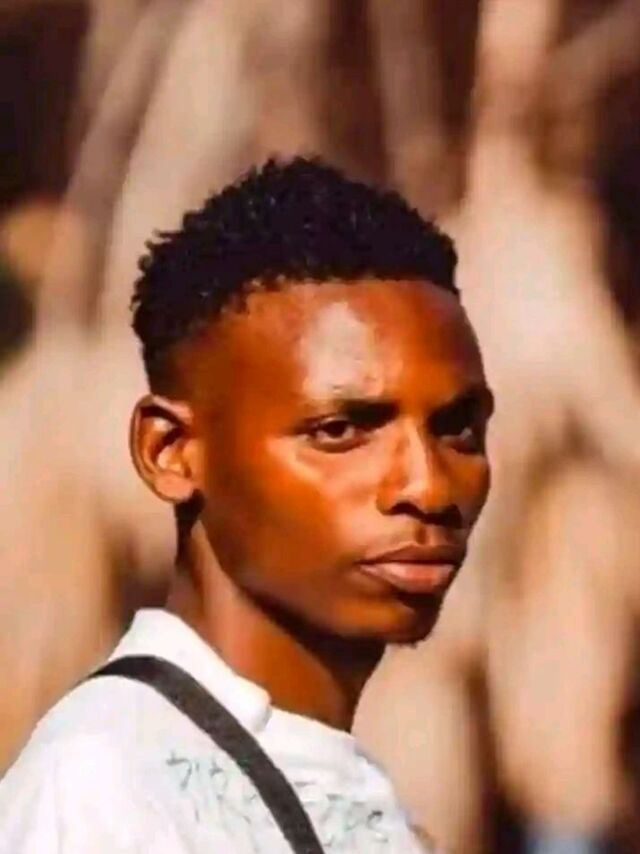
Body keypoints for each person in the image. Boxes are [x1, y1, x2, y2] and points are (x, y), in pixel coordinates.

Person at [0, 158, 493, 853]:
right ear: (171, 452)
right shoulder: (106, 794)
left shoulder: (354, 793)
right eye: (339, 431)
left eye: (457, 429)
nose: (430, 486)